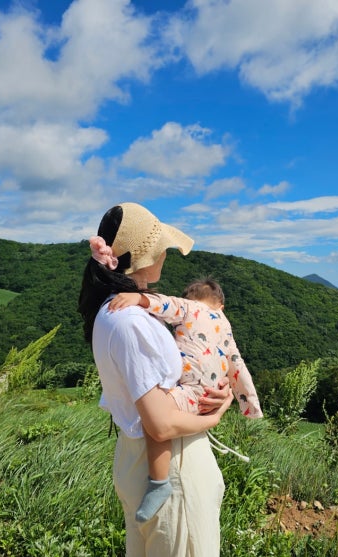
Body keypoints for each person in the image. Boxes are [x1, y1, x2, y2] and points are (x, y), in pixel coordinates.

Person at [78, 202, 233, 557]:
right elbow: (160, 425)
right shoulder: (131, 321)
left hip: (138, 462)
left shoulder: (113, 311)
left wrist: (213, 388)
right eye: (161, 247)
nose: (166, 254)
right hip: (170, 467)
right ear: (145, 255)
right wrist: (215, 416)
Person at [108, 278, 263, 522]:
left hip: (190, 389)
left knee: (155, 419)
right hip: (207, 393)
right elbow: (238, 367)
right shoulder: (225, 326)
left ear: (190, 299)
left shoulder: (189, 307)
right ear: (221, 305)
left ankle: (159, 483)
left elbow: (166, 305)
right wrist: (250, 405)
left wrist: (137, 298)